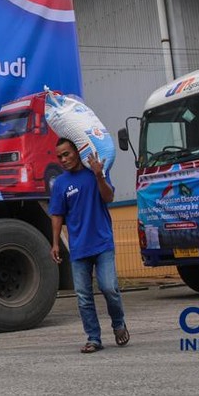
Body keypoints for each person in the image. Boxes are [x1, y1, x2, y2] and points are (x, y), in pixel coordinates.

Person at [48, 137, 130, 354]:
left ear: (77, 151)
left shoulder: (95, 172)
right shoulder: (60, 184)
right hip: (78, 248)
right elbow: (57, 215)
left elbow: (109, 197)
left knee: (109, 288)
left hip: (102, 243)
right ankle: (94, 338)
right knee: (84, 297)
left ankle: (119, 323)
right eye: (59, 157)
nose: (63, 159)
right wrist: (55, 243)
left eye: (66, 154)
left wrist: (99, 175)